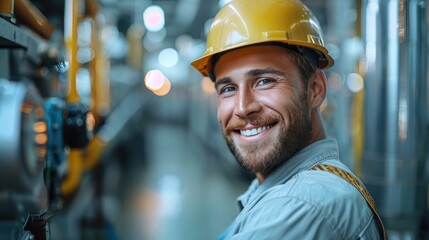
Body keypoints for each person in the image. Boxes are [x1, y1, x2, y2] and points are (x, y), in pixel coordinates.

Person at [191, 0, 387, 239]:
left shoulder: (303, 204)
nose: (243, 108)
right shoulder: (281, 189)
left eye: (264, 81)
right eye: (228, 88)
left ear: (315, 89)